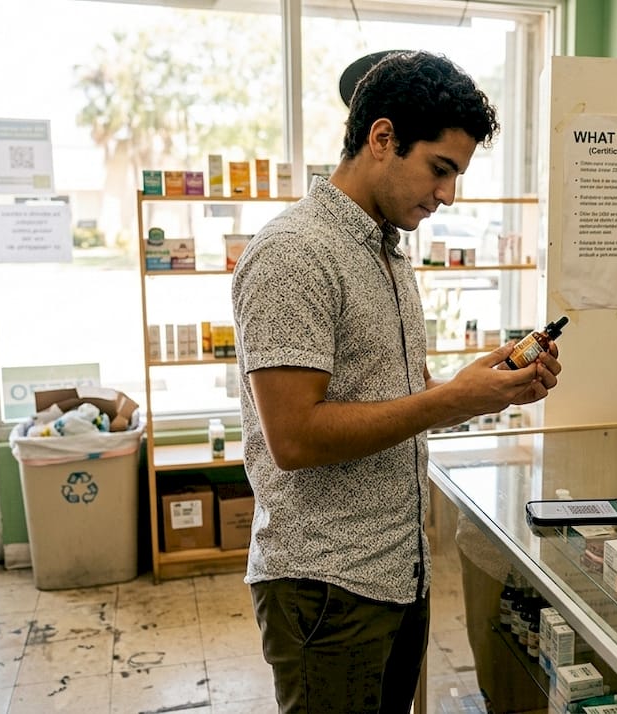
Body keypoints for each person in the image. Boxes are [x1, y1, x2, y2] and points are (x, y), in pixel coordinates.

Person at [231, 50, 562, 714]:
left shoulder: (384, 248)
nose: (447, 195)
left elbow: (390, 395)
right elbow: (294, 436)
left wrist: (484, 386)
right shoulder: (295, 254)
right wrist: (447, 400)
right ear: (382, 138)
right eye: (440, 169)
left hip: (396, 571)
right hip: (329, 586)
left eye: (457, 175)